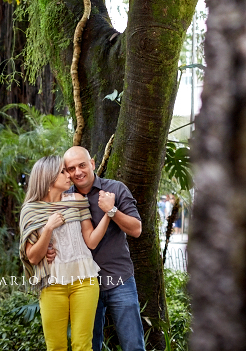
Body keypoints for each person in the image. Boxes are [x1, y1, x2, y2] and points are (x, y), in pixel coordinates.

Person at [54, 146, 144, 351]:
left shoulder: (116, 189)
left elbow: (136, 229)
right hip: (82, 285)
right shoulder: (64, 198)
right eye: (71, 168)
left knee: (133, 345)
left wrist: (112, 210)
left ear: (92, 164)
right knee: (88, 346)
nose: (78, 172)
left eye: (82, 165)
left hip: (119, 279)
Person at [19, 155, 111, 351]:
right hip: (52, 283)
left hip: (85, 280)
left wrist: (109, 214)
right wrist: (49, 228)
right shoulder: (30, 210)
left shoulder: (77, 201)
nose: (69, 175)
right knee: (56, 347)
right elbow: (33, 257)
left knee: (82, 345)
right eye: (63, 172)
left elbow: (92, 241)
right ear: (48, 177)